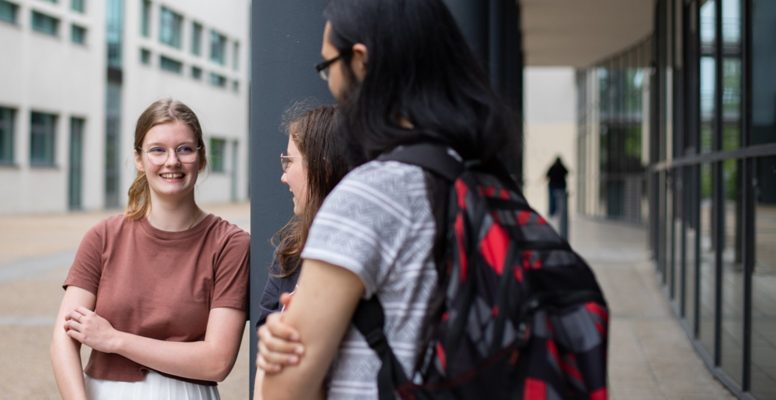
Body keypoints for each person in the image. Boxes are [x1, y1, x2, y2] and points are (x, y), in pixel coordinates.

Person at [259, 1, 514, 398]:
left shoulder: (369, 196)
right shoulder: (489, 183)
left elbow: (282, 393)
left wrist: (281, 352)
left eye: (328, 66)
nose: (329, 83)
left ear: (359, 61)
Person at [50, 98, 250, 400]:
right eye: (158, 150)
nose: (172, 161)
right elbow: (62, 341)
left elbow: (217, 361)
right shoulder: (103, 237)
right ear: (139, 160)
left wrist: (115, 340)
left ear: (201, 157)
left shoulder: (230, 245)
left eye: (184, 149)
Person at [253, 104, 362, 399]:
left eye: (289, 162)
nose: (283, 177)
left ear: (322, 165)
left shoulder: (360, 256)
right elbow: (267, 360)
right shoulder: (289, 254)